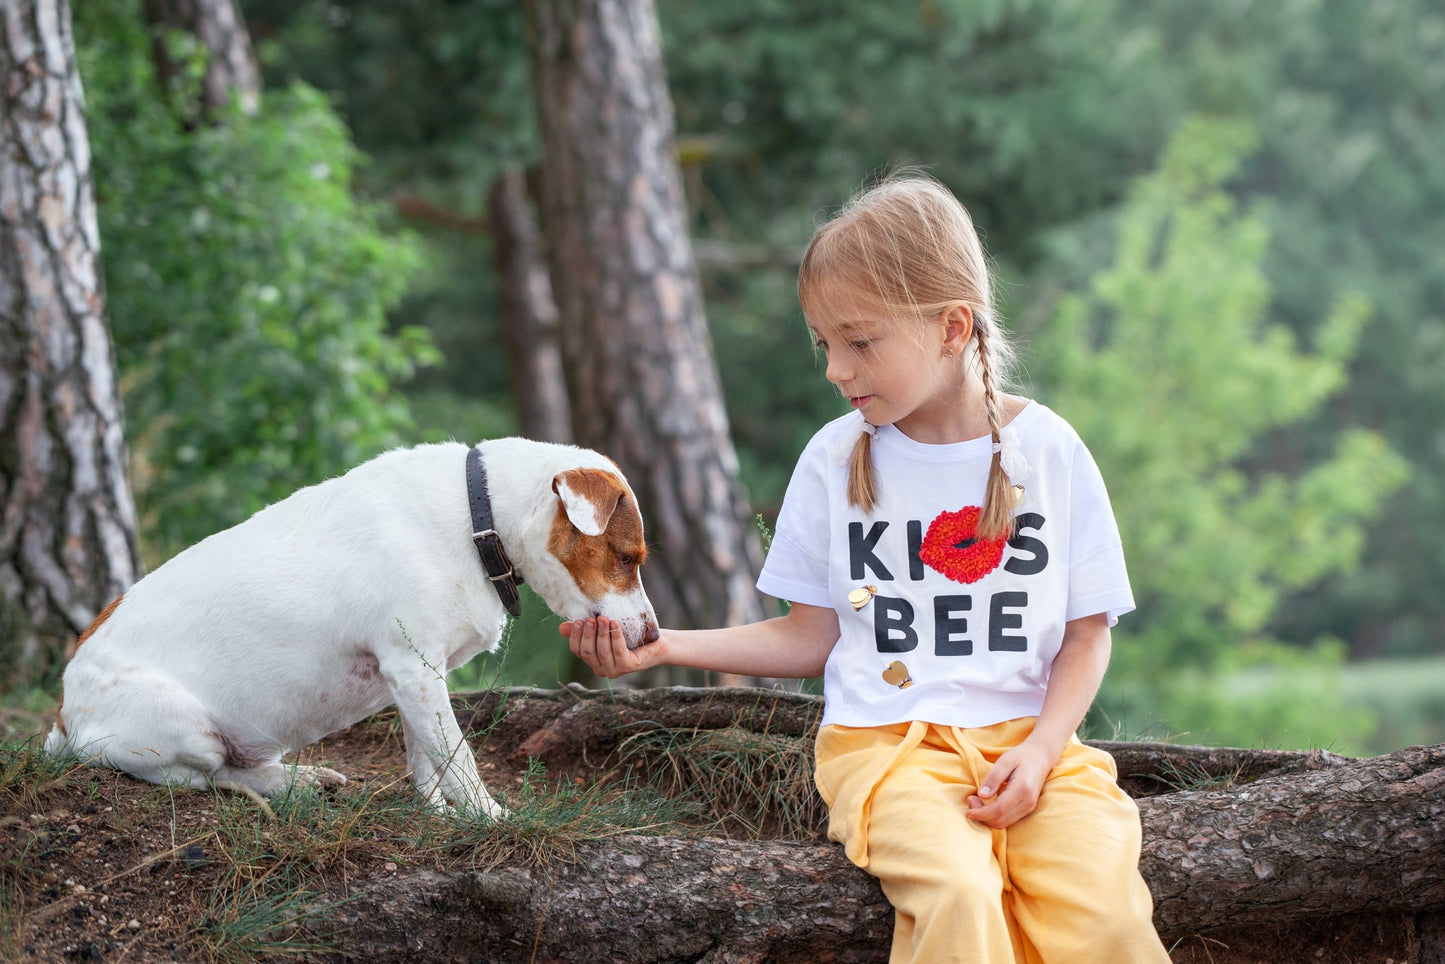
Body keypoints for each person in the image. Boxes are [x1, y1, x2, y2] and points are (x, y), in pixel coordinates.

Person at [562, 173, 1171, 963]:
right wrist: (667, 645)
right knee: (957, 894)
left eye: (860, 341)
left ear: (952, 326)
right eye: (824, 345)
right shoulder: (833, 458)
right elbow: (809, 637)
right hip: (886, 751)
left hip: (1036, 749)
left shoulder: (1048, 452)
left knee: (1103, 914)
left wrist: (1043, 749)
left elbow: (1086, 637)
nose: (835, 371)